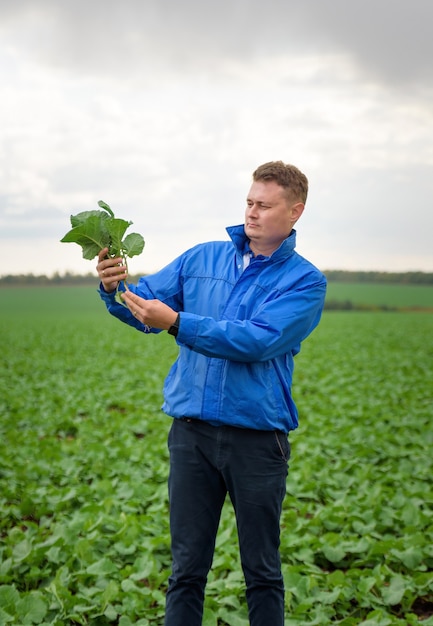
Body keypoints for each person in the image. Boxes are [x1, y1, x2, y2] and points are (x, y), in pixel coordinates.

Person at [96, 161, 327, 626]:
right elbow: (144, 304)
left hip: (258, 440)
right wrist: (112, 286)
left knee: (261, 571)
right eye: (249, 202)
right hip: (191, 434)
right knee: (185, 570)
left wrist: (178, 322)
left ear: (295, 211)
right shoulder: (203, 257)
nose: (252, 213)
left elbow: (257, 340)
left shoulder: (306, 282)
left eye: (264, 205)